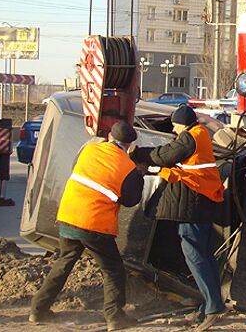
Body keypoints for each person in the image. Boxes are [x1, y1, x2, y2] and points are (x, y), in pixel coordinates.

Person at [29, 121, 143, 332]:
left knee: (64, 263)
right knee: (113, 270)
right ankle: (115, 317)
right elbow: (131, 200)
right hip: (95, 224)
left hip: (69, 216)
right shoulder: (127, 167)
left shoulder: (89, 149)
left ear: (109, 137)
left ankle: (38, 309)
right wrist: (139, 175)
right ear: (129, 145)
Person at [131, 104, 226, 331]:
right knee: (204, 254)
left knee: (194, 253)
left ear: (183, 123)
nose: (173, 129)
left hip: (195, 202)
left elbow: (165, 155)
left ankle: (213, 307)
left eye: (174, 124)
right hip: (201, 200)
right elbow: (172, 158)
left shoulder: (190, 137)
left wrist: (137, 153)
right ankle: (210, 304)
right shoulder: (197, 136)